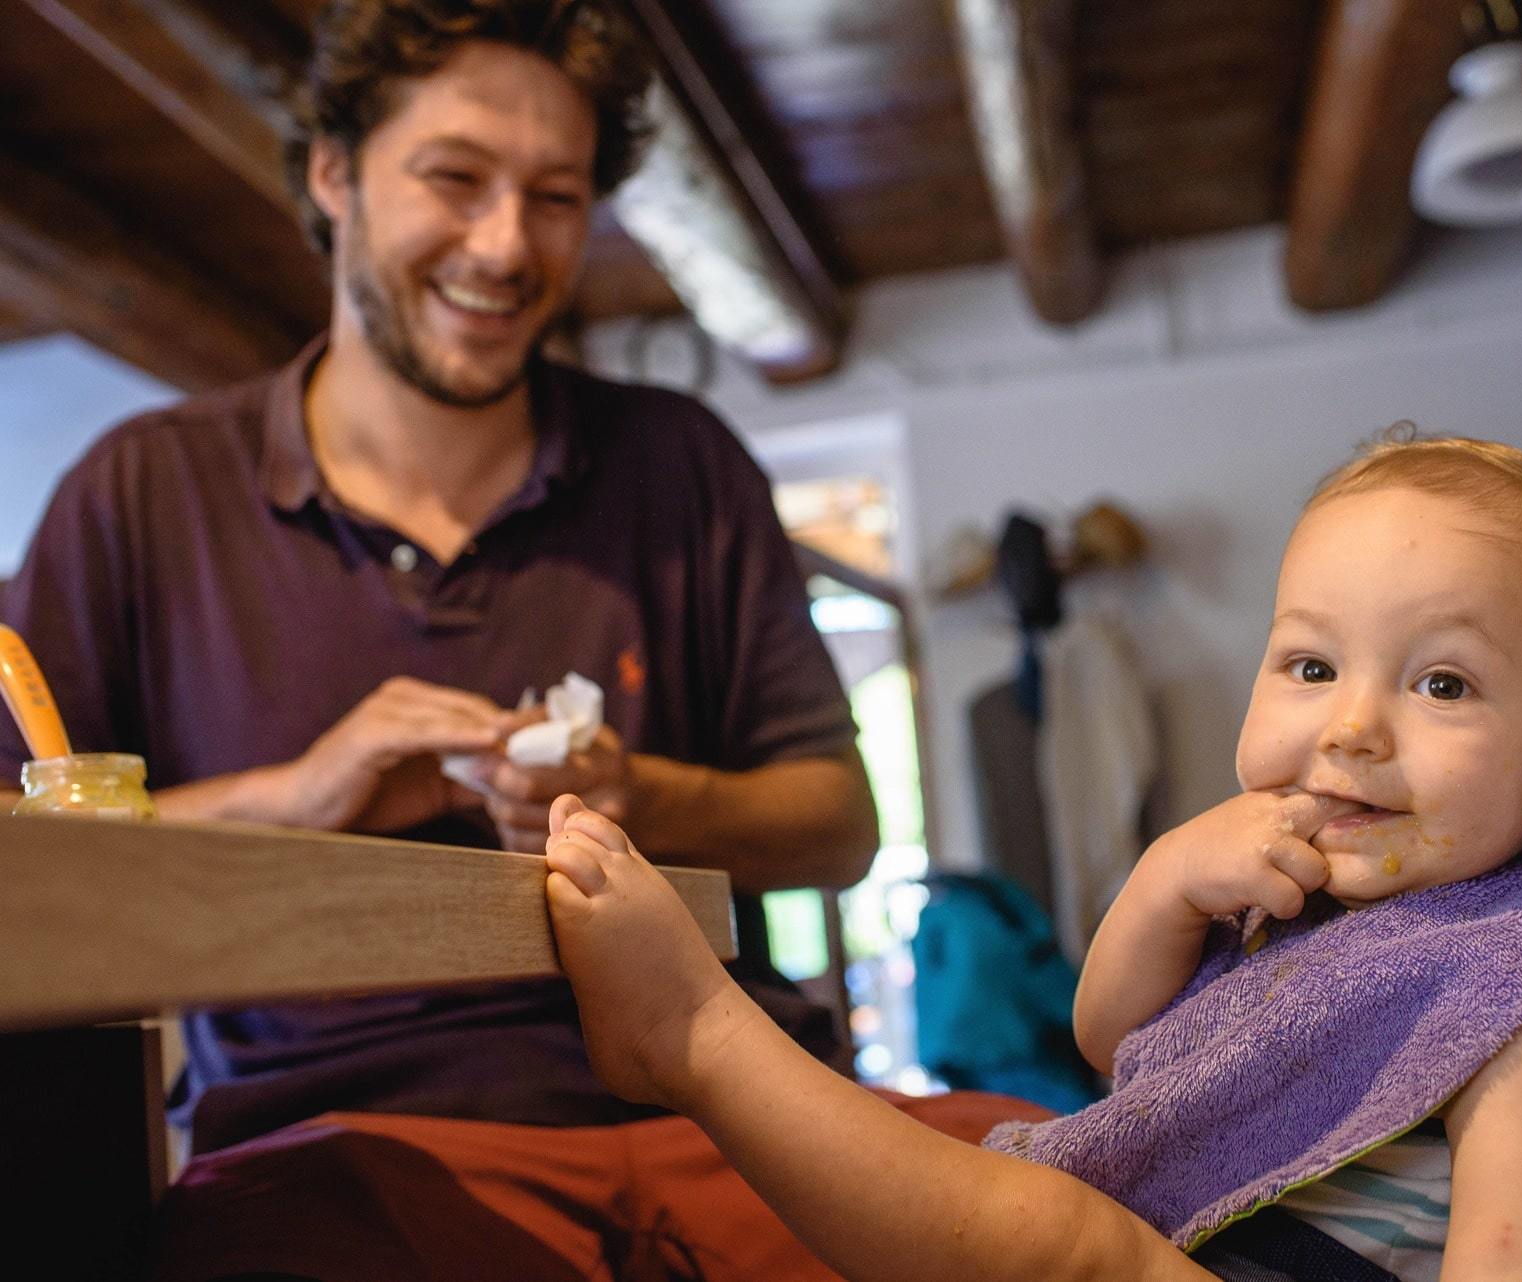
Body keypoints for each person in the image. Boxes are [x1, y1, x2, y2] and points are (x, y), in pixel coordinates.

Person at [0, 1, 880, 1276]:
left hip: (735, 1100)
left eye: (558, 195)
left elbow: (839, 825)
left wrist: (641, 794)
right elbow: (23, 864)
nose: (507, 244)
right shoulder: (142, 495)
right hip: (343, 1148)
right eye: (455, 178)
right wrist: (296, 799)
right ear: (334, 172)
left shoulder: (681, 465)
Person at [543, 435, 1522, 1281]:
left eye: (1445, 684)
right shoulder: (1291, 882)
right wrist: (1164, 882)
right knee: (1024, 1198)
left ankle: (696, 1037)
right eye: (1312, 665)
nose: (1353, 727)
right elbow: (1110, 1039)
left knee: (1070, 1238)